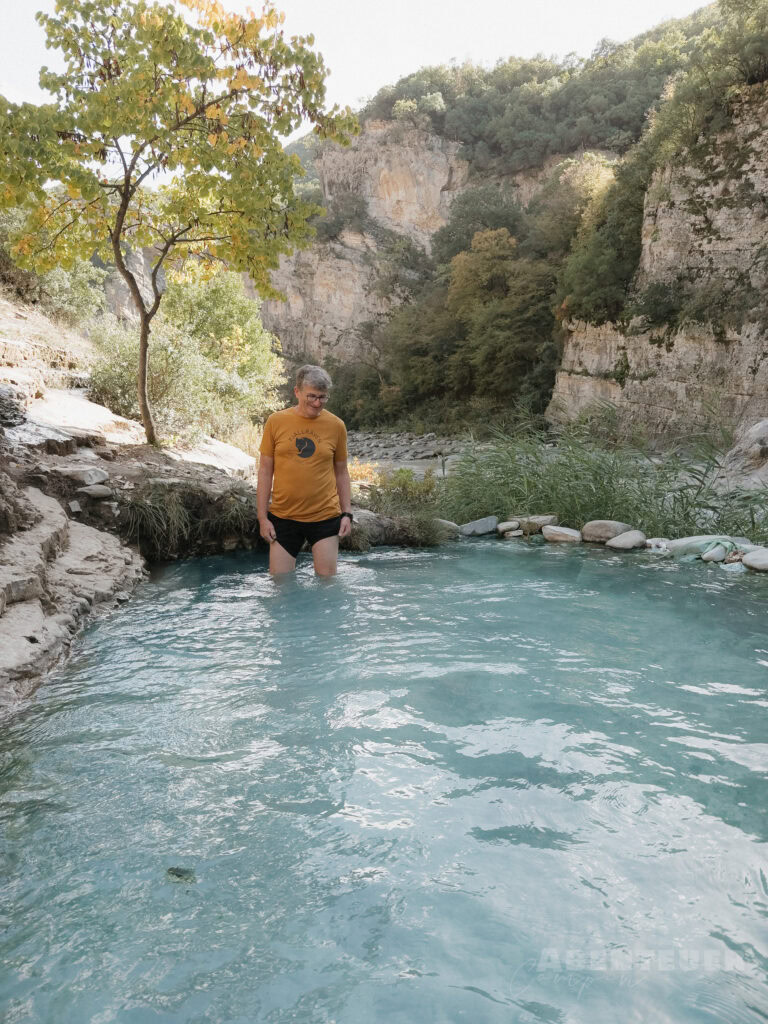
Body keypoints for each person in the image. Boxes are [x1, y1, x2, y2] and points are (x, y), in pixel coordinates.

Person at [257, 365, 353, 575]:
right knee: (280, 584)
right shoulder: (276, 421)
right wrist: (263, 518)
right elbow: (265, 471)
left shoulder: (336, 426)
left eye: (322, 397)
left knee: (328, 585)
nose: (317, 403)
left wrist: (347, 513)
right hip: (283, 517)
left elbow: (341, 472)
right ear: (297, 392)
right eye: (311, 396)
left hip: (325, 516)